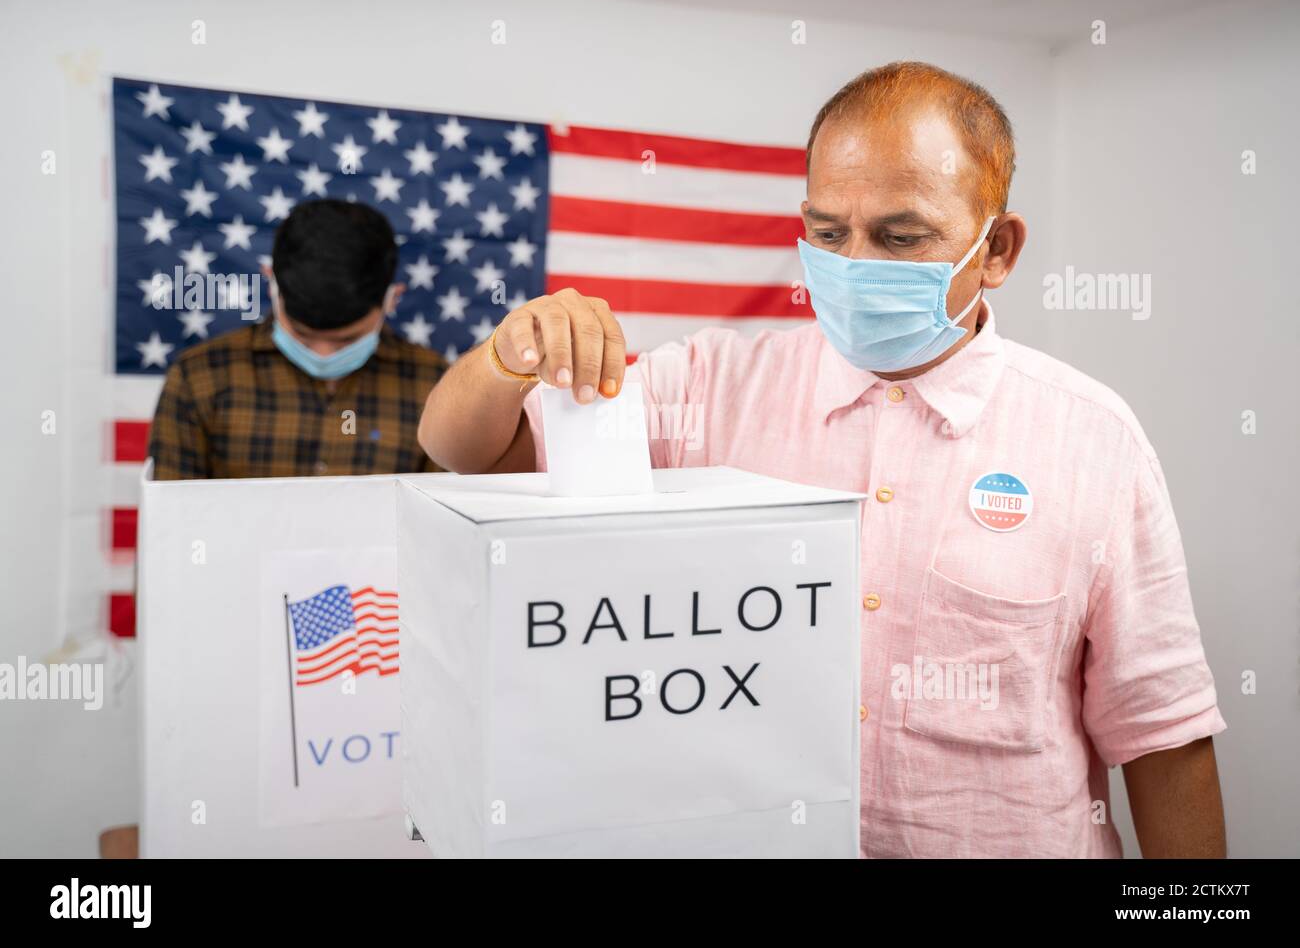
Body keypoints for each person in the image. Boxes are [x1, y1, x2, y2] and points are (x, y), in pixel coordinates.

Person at [417, 62, 1227, 858]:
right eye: (829, 233)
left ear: (997, 252)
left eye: (900, 237)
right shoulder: (710, 384)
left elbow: (1162, 732)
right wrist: (508, 355)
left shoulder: (1092, 438)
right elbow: (465, 451)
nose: (854, 266)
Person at [149, 199, 446, 480]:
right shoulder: (199, 378)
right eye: (302, 336)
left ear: (392, 298)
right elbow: (175, 520)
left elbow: (448, 523)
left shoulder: (438, 387)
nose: (323, 354)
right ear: (270, 283)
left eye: (346, 341)